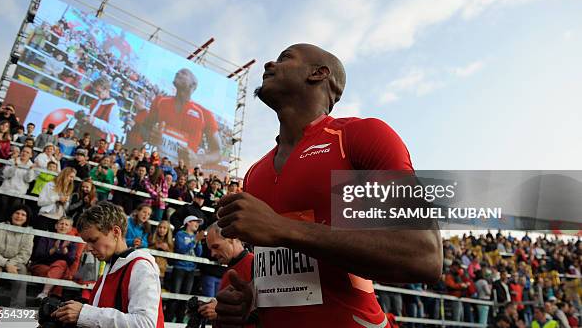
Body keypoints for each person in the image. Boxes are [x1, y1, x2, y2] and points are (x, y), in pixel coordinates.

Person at [214, 44, 441, 328]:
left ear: (318, 73)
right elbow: (291, 277)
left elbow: (426, 256)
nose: (268, 64)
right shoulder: (254, 174)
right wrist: (252, 302)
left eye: (285, 58)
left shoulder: (360, 136)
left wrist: (283, 228)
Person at [52, 201, 165, 327]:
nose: (88, 248)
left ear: (116, 232)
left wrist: (84, 314)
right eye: (86, 242)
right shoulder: (111, 265)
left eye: (93, 240)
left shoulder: (141, 266)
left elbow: (146, 324)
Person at [141, 68, 221, 167]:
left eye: (184, 73)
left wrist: (198, 159)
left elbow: (218, 152)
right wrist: (149, 136)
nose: (178, 73)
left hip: (182, 174)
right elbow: (144, 127)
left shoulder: (205, 114)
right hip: (157, 167)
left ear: (193, 85)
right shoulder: (160, 101)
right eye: (178, 72)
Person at [199, 222, 254, 325]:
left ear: (232, 238)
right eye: (211, 249)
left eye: (216, 247)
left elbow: (264, 312)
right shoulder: (227, 273)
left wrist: (221, 311)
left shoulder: (254, 264)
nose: (213, 254)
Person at [31, 216, 78, 299]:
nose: (63, 226)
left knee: (61, 263)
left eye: (66, 225)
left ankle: (44, 293)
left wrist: (64, 249)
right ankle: (53, 298)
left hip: (62, 269)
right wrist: (53, 249)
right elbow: (38, 256)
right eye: (61, 224)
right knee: (57, 273)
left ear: (70, 228)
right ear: (56, 226)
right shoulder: (46, 237)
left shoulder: (72, 242)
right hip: (42, 266)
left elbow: (71, 261)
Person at [171, 215, 204, 323]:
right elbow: (181, 249)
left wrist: (198, 242)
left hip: (191, 270)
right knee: (174, 297)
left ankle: (180, 321)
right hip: (179, 267)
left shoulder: (196, 237)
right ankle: (168, 319)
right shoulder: (180, 234)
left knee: (185, 298)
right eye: (195, 222)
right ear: (188, 222)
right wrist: (195, 240)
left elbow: (198, 254)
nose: (197, 224)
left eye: (198, 223)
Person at [76, 76, 123, 146]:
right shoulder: (96, 101)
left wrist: (94, 121)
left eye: (98, 91)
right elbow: (90, 117)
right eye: (95, 91)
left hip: (98, 140)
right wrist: (83, 116)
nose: (96, 93)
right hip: (86, 134)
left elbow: (113, 129)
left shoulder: (113, 107)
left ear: (106, 90)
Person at [0, 146, 37, 222]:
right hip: (6, 190)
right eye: (23, 151)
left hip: (19, 193)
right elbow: (6, 175)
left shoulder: (31, 165)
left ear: (31, 155)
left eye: (27, 152)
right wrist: (14, 167)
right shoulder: (12, 161)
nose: (24, 153)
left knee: (13, 213)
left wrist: (30, 170)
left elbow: (28, 179)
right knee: (1, 211)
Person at [35, 167, 76, 231]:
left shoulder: (68, 189)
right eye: (70, 176)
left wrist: (65, 203)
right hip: (45, 216)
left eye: (73, 177)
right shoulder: (50, 185)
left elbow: (65, 208)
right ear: (64, 175)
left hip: (58, 220)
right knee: (38, 240)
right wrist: (58, 198)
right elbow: (40, 202)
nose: (72, 179)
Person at [149, 220, 174, 284]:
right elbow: (146, 249)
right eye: (160, 227)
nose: (162, 230)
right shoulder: (151, 238)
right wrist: (155, 246)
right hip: (149, 269)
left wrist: (167, 249)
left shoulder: (170, 242)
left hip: (161, 272)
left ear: (168, 230)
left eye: (164, 228)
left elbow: (172, 258)